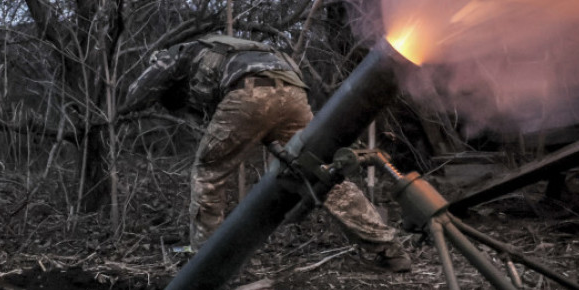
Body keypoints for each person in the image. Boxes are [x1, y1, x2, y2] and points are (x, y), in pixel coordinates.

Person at [123, 33, 411, 271]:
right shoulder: (231, 50)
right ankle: (388, 247)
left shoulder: (176, 52)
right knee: (319, 172)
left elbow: (136, 93)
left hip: (249, 92)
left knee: (208, 173)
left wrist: (120, 112)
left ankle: (203, 262)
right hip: (293, 92)